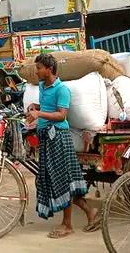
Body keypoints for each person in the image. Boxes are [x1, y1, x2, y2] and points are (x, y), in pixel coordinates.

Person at [26, 53, 97, 239]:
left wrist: (39, 114)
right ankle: (91, 214)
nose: (37, 70)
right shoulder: (42, 86)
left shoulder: (62, 89)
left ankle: (67, 225)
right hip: (46, 137)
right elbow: (47, 106)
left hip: (58, 137)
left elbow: (61, 115)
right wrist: (35, 106)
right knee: (56, 180)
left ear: (49, 69)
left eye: (39, 67)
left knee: (63, 181)